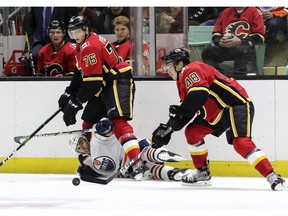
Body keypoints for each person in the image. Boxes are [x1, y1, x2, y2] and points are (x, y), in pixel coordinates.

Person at [151, 48, 288, 191]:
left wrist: (175, 122)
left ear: (179, 64)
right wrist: (168, 128)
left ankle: (272, 176)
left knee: (241, 143)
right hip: (216, 113)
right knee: (192, 133)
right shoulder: (182, 81)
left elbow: (199, 95)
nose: (168, 69)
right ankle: (202, 172)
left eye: (170, 65)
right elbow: (187, 108)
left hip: (234, 105)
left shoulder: (190, 69)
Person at [57, 15, 144, 178]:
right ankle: (91, 163)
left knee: (118, 121)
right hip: (105, 84)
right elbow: (79, 72)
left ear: (86, 29)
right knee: (88, 122)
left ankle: (137, 163)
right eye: (72, 32)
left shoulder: (90, 45)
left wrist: (75, 103)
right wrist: (68, 92)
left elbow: (93, 83)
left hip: (117, 81)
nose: (75, 35)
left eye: (78, 31)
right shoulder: (81, 45)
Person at [68, 118, 190, 181]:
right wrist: (91, 173)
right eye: (79, 149)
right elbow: (103, 170)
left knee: (145, 153)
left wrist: (104, 126)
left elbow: (107, 130)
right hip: (127, 169)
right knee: (152, 171)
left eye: (81, 143)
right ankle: (176, 174)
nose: (83, 148)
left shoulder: (94, 136)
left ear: (84, 138)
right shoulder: (85, 160)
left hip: (131, 150)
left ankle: (162, 155)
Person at [201, 7, 265, 76]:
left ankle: (240, 76)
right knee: (208, 51)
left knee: (241, 49)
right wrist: (221, 41)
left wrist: (240, 41)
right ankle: (219, 75)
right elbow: (216, 34)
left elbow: (259, 37)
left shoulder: (255, 11)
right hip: (227, 48)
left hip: (246, 49)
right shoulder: (226, 12)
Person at [27, 7, 78, 74]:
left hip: (65, 42)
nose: (55, 35)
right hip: (40, 41)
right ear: (49, 33)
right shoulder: (43, 51)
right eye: (53, 32)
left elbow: (73, 23)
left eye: (58, 32)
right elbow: (30, 26)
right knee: (33, 56)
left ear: (64, 32)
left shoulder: (71, 50)